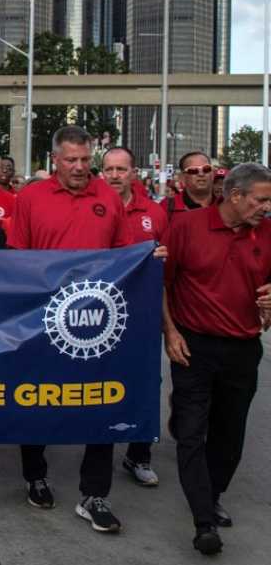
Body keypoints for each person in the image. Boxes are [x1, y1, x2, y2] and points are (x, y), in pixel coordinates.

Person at [8, 125, 155, 534]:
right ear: (54, 159)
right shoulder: (31, 198)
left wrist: (148, 257)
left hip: (98, 322)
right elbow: (16, 259)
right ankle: (35, 475)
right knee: (35, 399)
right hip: (43, 320)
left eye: (85, 160)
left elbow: (125, 255)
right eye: (70, 160)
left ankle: (94, 495)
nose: (79, 168)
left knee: (101, 402)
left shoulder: (107, 198)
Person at [163, 163, 271, 555]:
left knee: (229, 437)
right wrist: (170, 332)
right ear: (235, 195)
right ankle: (203, 519)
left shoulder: (268, 232)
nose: (266, 207)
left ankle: (214, 491)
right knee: (191, 432)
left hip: (243, 349)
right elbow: (163, 283)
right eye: (261, 199)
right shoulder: (188, 228)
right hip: (194, 346)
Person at [101, 147, 169, 487]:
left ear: (133, 172)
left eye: (121, 169)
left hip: (140, 315)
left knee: (146, 382)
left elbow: (166, 267)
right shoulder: (93, 207)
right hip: (101, 315)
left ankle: (138, 454)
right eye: (109, 169)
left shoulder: (154, 213)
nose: (115, 175)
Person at [167, 151, 216, 216]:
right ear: (183, 178)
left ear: (212, 174)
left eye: (206, 169)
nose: (201, 174)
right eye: (193, 170)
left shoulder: (226, 205)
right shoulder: (167, 207)